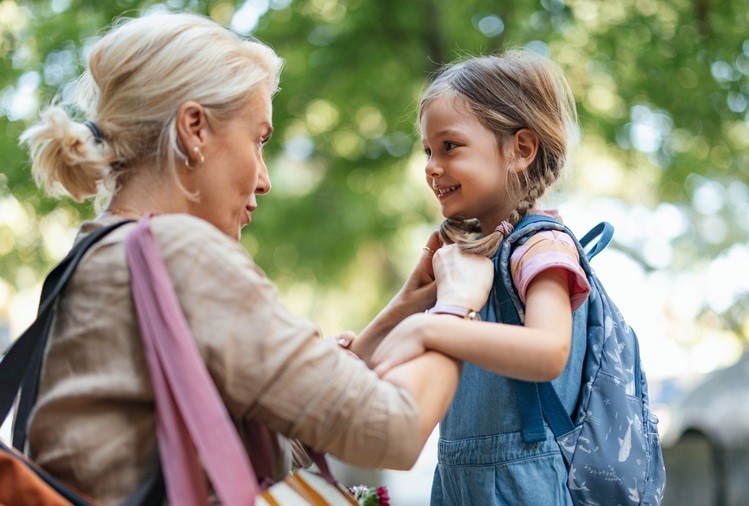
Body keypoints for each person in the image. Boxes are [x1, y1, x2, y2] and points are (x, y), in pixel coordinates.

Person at [16, 12, 493, 505]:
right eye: (258, 140)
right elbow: (392, 429)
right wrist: (456, 306)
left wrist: (398, 314)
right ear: (194, 129)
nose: (263, 178)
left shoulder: (95, 253)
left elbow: (269, 441)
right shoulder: (179, 251)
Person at [366, 51, 588, 505]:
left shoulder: (540, 247)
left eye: (450, 146)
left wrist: (431, 326)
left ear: (521, 150)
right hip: (459, 482)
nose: (430, 165)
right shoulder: (464, 266)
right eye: (428, 150)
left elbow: (550, 352)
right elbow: (370, 371)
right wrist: (409, 306)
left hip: (524, 488)